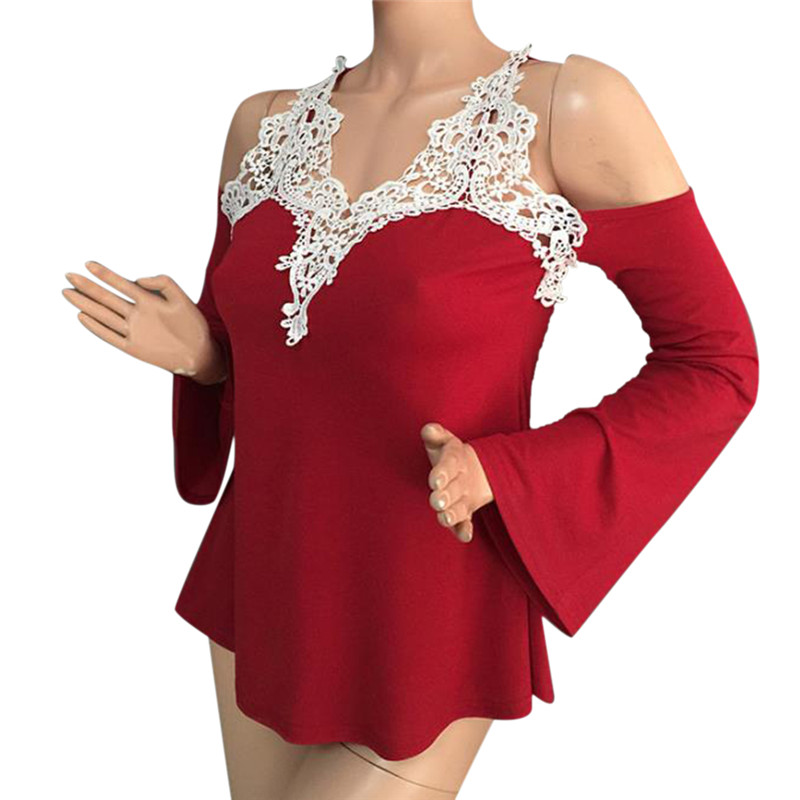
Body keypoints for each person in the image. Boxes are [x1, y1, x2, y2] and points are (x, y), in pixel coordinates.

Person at [61, 2, 759, 798]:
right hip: (264, 576)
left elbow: (716, 363)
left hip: (428, 598)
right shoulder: (263, 128)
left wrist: (509, 472)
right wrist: (206, 357)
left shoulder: (567, 109)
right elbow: (288, 350)